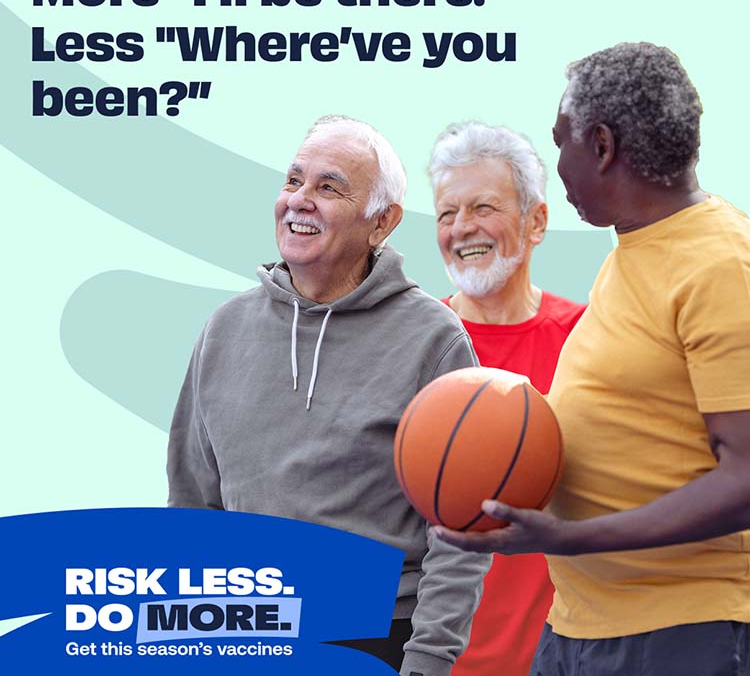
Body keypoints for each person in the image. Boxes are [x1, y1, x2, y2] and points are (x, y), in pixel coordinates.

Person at [435, 43, 750, 675]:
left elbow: (746, 477)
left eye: (562, 142)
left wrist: (570, 537)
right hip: (583, 626)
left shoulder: (721, 265)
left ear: (601, 146)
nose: (559, 163)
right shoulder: (636, 253)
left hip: (680, 632)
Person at [167, 115, 490, 676]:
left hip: (375, 639)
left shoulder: (434, 340)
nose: (301, 201)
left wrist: (427, 663)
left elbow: (463, 530)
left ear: (381, 222)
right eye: (294, 181)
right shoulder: (223, 329)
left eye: (329, 187)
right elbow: (193, 508)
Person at [428, 121, 585, 676]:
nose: (462, 228)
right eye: (447, 213)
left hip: (560, 659)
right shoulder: (408, 343)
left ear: (536, 220)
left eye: (483, 207)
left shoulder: (590, 340)